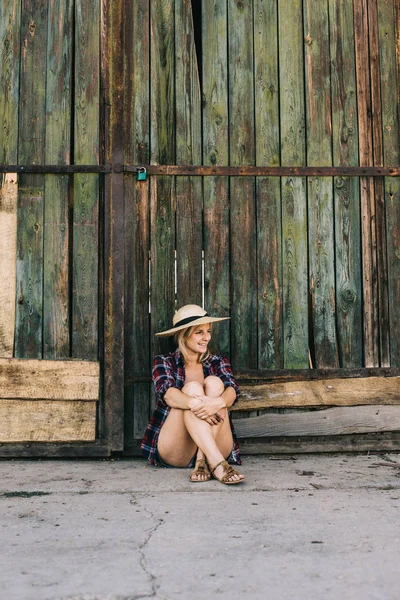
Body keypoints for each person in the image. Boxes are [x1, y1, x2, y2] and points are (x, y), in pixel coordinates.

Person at [141, 304, 245, 485]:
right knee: (192, 389)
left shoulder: (217, 361)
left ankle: (204, 460)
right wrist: (199, 404)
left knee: (214, 383)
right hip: (178, 447)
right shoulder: (165, 361)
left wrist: (217, 403)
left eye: (208, 331)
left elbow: (232, 392)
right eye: (199, 332)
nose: (207, 338)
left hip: (218, 442)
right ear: (184, 334)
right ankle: (218, 464)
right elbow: (169, 395)